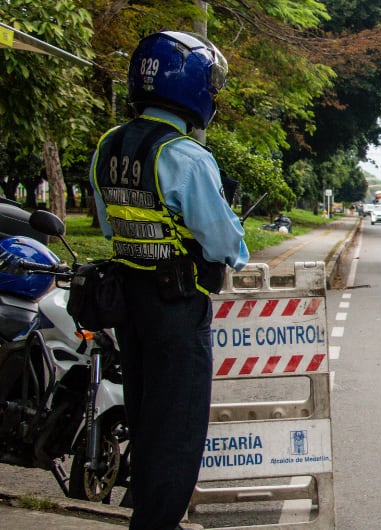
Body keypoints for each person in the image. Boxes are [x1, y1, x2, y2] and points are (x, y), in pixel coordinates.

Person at [89, 31, 248, 529]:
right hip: (177, 306)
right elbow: (224, 243)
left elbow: (109, 223)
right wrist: (237, 243)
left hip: (129, 302)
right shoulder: (186, 157)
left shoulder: (108, 145)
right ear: (193, 88)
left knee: (145, 416)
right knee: (177, 428)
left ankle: (147, 514)